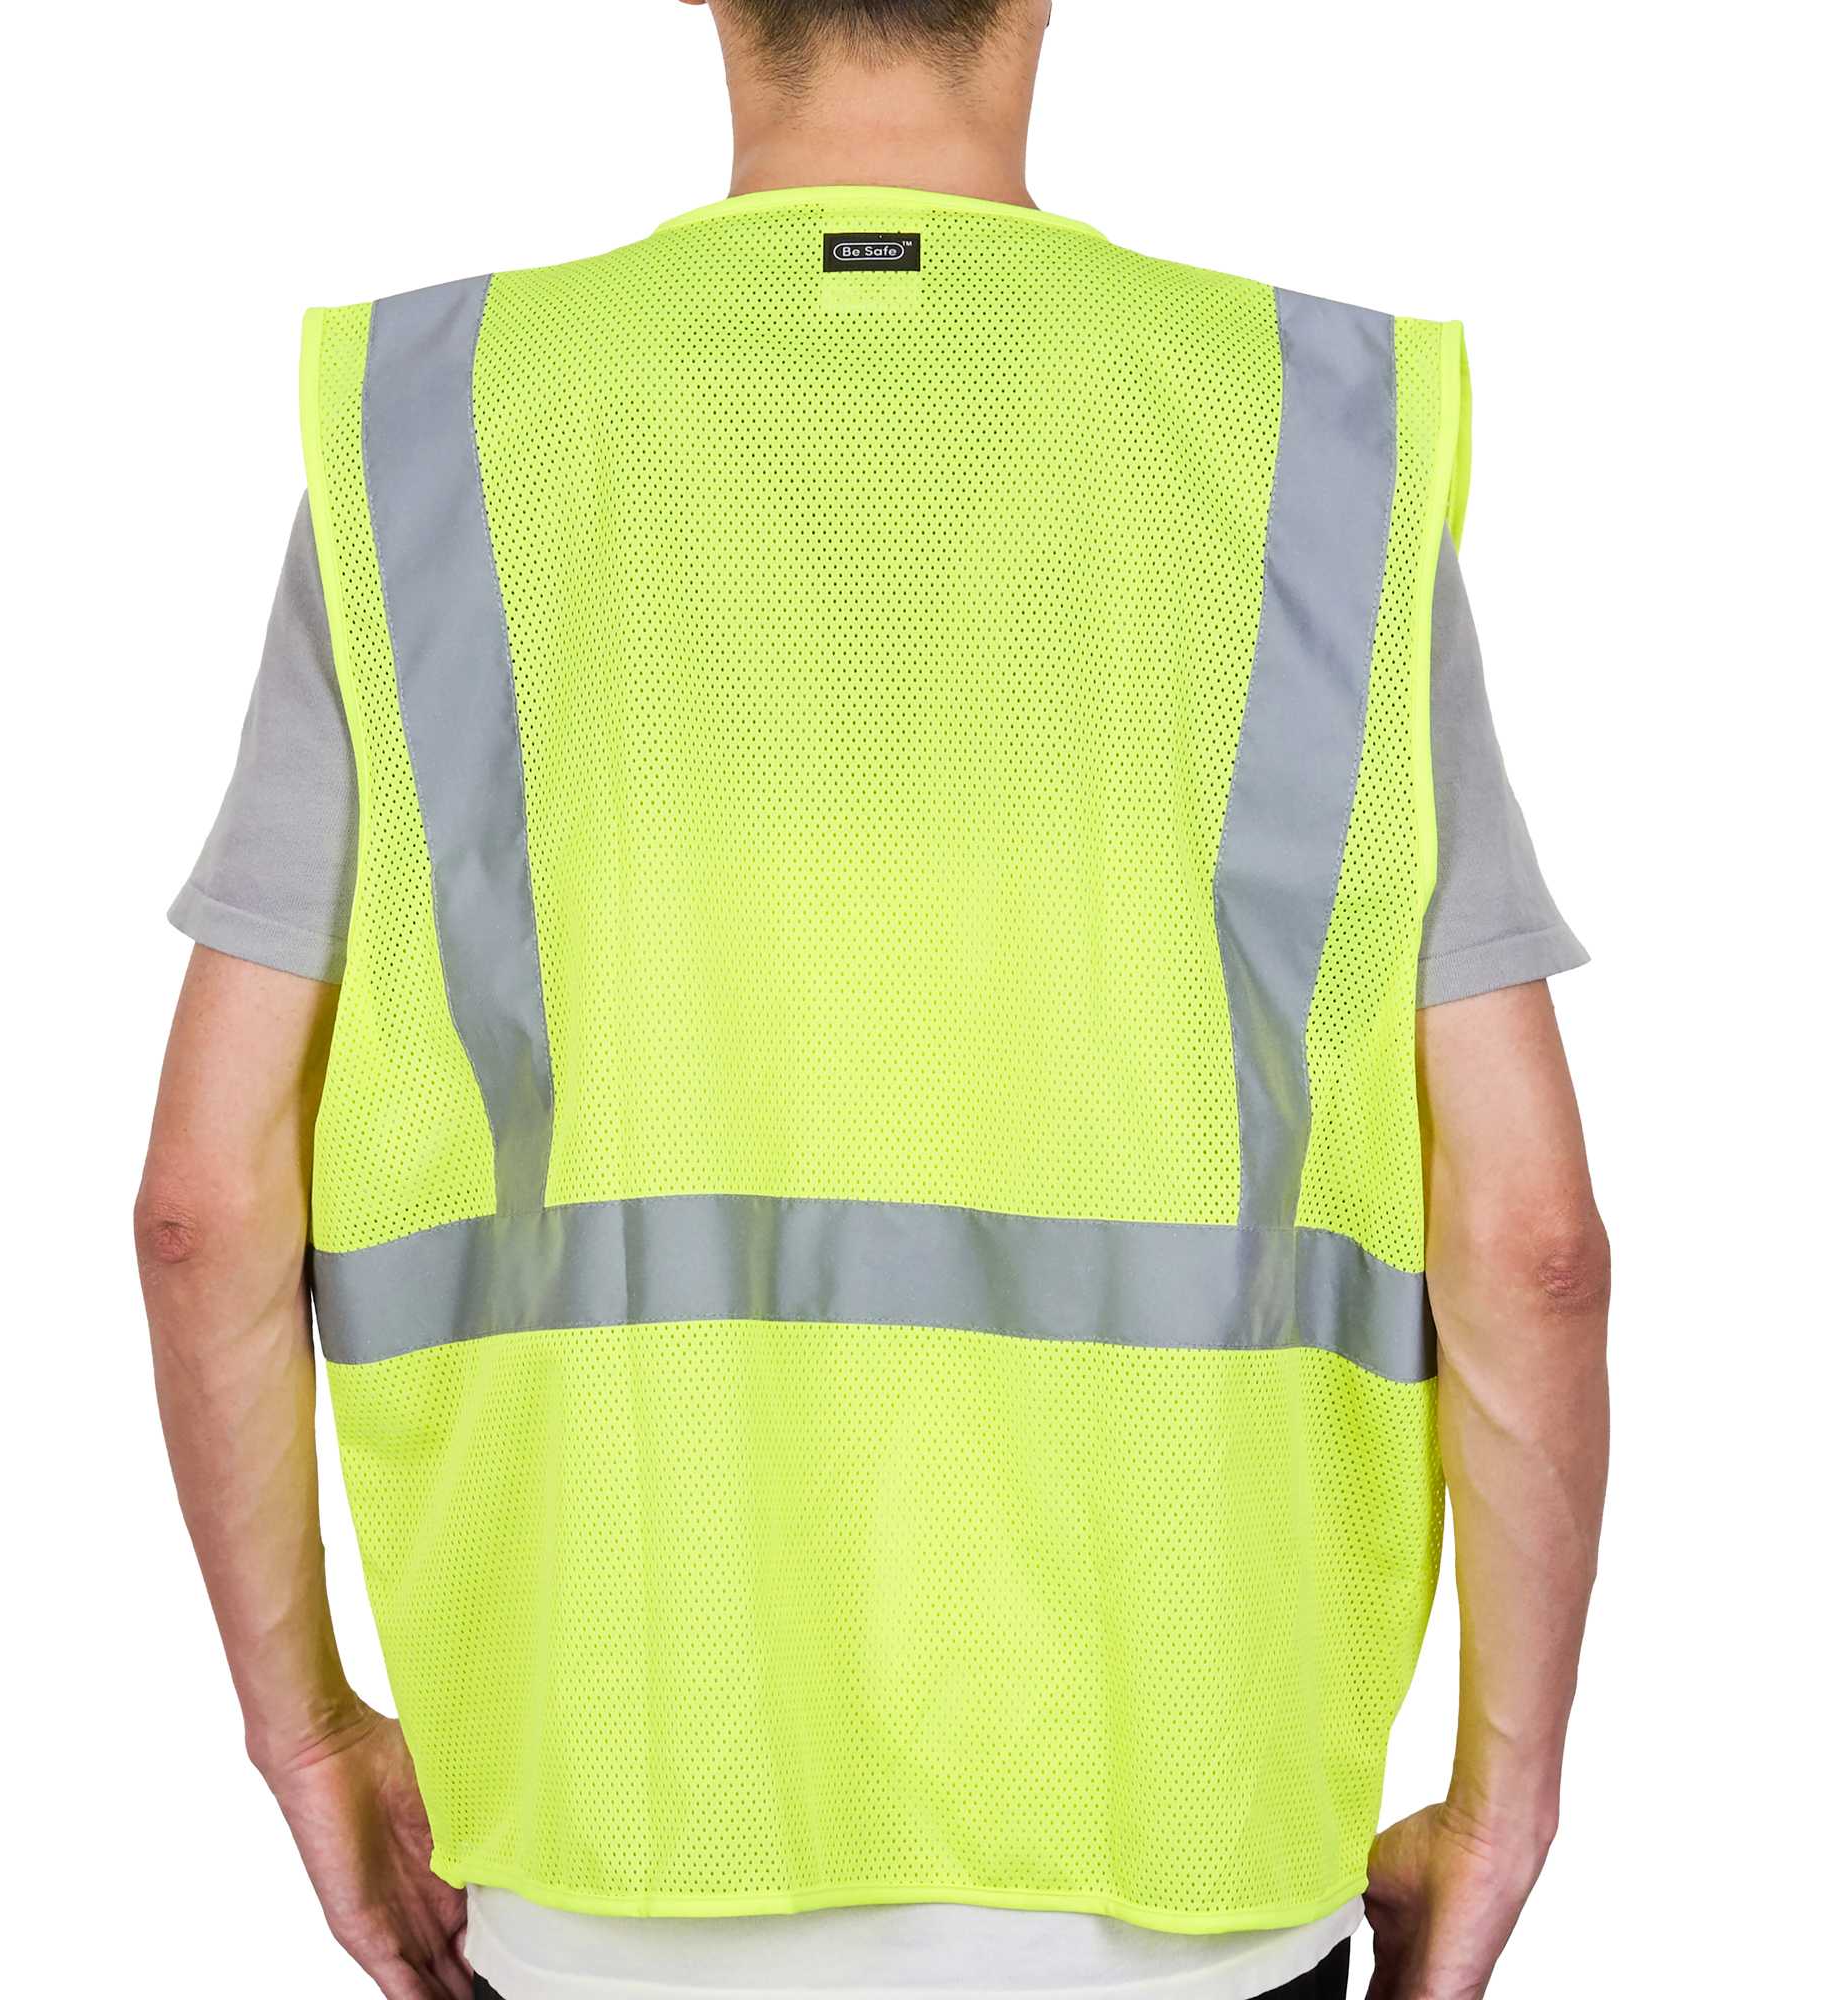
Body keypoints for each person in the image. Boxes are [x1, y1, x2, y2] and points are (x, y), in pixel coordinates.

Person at [136, 5, 1610, 1998]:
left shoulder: (444, 428)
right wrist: (1502, 1802)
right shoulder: (1314, 436)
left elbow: (202, 1210)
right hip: (1186, 1865)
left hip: (599, 1847)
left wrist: (307, 1732)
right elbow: (1530, 1247)